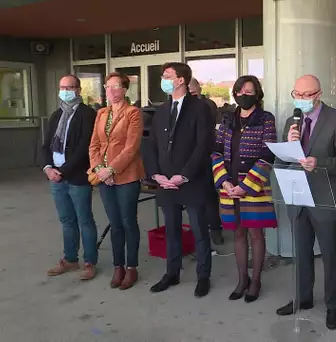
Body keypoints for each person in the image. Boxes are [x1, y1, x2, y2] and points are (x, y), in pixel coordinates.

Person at [277, 74, 336, 330]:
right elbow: (286, 159)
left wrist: (320, 163)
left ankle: (333, 306)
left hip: (325, 198)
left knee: (330, 256)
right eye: (296, 94)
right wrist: (289, 146)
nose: (301, 99)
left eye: (306, 95)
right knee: (301, 254)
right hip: (298, 197)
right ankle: (303, 298)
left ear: (319, 94)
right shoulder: (292, 120)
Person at [144, 62, 214, 298]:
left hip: (191, 181)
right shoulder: (162, 110)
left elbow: (203, 145)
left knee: (199, 230)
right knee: (172, 229)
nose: (163, 79)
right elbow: (151, 145)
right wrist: (156, 175)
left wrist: (183, 175)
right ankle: (172, 272)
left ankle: (203, 276)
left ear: (181, 80)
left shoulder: (200, 108)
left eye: (167, 76)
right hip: (165, 182)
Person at [211, 75, 277, 303]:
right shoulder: (228, 118)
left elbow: (268, 155)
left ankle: (256, 280)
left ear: (257, 94)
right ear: (235, 93)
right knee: (238, 232)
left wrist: (246, 185)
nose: (244, 95)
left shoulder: (266, 119)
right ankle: (242, 279)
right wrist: (224, 182)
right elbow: (216, 151)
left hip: (253, 185)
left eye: (249, 92)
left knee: (255, 233)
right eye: (240, 91)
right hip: (228, 186)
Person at [89, 72, 145, 290]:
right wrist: (100, 169)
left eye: (115, 86)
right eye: (107, 86)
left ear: (124, 90)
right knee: (115, 223)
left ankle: (131, 267)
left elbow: (131, 147)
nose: (110, 91)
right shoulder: (101, 113)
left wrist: (112, 169)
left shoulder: (133, 113)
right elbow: (94, 145)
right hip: (104, 176)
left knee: (128, 221)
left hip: (127, 176)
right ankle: (118, 266)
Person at [43, 75, 98, 281]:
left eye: (70, 87)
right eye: (62, 87)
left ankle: (90, 262)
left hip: (77, 177)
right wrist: (48, 168)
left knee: (84, 220)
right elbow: (46, 144)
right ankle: (70, 259)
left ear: (78, 90)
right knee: (66, 220)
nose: (65, 90)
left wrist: (63, 170)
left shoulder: (87, 114)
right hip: (55, 177)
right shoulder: (56, 115)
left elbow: (84, 147)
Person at [188, 77, 225, 246]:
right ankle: (198, 230)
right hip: (189, 157)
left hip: (207, 155)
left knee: (209, 196)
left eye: (193, 91)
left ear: (199, 90)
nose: (191, 94)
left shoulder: (208, 105)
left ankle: (215, 230)